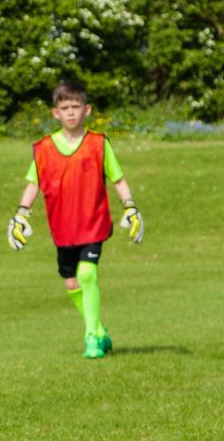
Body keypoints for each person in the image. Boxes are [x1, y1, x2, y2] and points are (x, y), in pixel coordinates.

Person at [9, 79, 143, 358]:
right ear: (55, 113)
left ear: (87, 109)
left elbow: (117, 179)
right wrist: (21, 214)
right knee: (72, 283)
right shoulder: (44, 148)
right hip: (63, 228)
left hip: (92, 223)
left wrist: (130, 207)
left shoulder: (98, 144)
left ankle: (91, 337)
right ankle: (99, 329)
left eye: (76, 106)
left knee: (87, 273)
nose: (71, 112)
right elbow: (33, 183)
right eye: (65, 107)